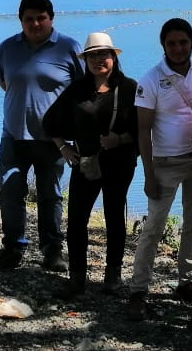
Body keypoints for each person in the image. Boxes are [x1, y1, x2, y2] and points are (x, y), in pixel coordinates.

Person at [128, 18, 192, 320]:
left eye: (183, 42)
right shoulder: (151, 79)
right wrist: (148, 174)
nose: (178, 48)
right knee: (154, 227)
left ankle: (187, 281)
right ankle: (138, 290)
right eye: (171, 43)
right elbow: (143, 130)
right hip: (164, 162)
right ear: (163, 46)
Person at [0, 0, 84, 272]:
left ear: (51, 19)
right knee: (10, 191)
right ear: (21, 20)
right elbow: (5, 83)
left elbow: (81, 91)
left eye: (41, 18)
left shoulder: (69, 47)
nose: (35, 23)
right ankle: (13, 248)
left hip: (53, 140)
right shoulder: (6, 47)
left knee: (50, 195)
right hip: (14, 135)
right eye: (29, 18)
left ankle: (52, 250)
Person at [42, 31, 139, 297]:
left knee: (114, 218)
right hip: (85, 163)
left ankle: (113, 276)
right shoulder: (77, 89)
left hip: (119, 163)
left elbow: (144, 129)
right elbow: (49, 122)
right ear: (85, 60)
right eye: (92, 55)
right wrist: (64, 148)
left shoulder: (129, 88)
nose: (98, 60)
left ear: (113, 57)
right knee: (76, 220)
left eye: (103, 54)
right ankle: (77, 277)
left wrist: (119, 140)